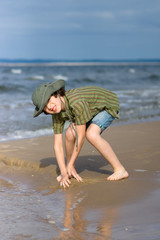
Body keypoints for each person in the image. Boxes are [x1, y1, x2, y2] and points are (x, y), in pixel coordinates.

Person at [32, 79, 129, 188]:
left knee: (91, 134)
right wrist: (64, 173)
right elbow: (57, 145)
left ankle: (120, 170)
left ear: (56, 94)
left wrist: (72, 163)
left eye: (48, 100)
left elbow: (80, 136)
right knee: (69, 133)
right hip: (89, 110)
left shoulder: (76, 102)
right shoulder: (57, 113)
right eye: (45, 107)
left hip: (106, 106)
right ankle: (69, 170)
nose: (49, 107)